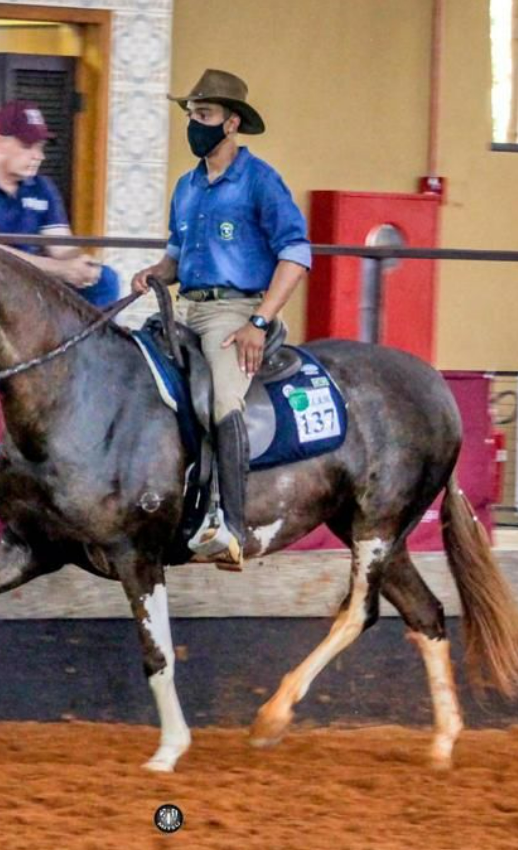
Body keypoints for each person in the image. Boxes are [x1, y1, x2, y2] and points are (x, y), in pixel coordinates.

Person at [132, 69, 311, 569]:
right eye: (191, 115)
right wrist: (155, 273)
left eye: (204, 116)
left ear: (231, 124)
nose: (195, 125)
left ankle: (233, 527)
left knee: (222, 399)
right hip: (185, 308)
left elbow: (295, 253)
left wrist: (258, 322)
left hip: (232, 312)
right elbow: (175, 255)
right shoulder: (186, 187)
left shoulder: (260, 181)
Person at [0, 100, 120, 307]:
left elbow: (62, 248)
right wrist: (61, 269)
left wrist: (81, 264)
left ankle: (89, 340)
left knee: (105, 280)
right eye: (27, 146)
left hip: (29, 284)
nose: (38, 156)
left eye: (40, 147)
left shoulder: (42, 187)